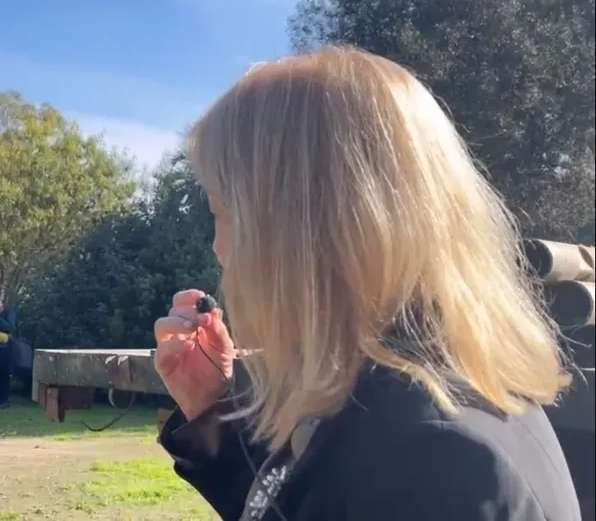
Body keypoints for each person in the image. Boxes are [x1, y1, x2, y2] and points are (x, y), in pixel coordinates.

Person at [153, 48, 580, 521]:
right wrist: (210, 407)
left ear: (298, 228)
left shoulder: (428, 459)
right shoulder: (409, 401)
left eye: (222, 213)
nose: (218, 246)